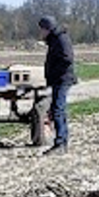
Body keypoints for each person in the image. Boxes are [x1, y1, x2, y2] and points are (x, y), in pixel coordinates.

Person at [38, 15, 76, 155]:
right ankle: (62, 142)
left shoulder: (61, 39)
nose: (41, 32)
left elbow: (67, 59)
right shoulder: (54, 39)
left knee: (58, 110)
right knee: (58, 110)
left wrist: (55, 72)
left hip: (62, 79)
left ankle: (60, 143)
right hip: (58, 79)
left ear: (48, 28)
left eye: (42, 29)